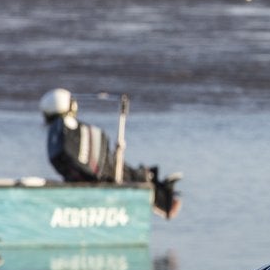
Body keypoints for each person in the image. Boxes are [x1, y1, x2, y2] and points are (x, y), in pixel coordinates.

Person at [40, 88, 182, 218]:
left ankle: (161, 196)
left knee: (120, 171)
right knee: (119, 170)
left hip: (102, 180)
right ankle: (161, 194)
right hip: (103, 178)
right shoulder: (67, 131)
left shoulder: (60, 133)